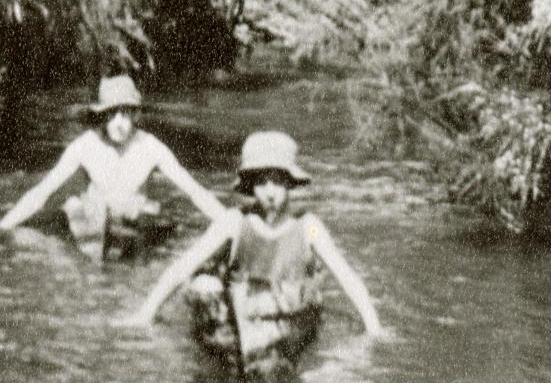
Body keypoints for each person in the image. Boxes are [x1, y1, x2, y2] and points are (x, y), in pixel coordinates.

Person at [119, 130, 382, 336]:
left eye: (278, 181)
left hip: (287, 309)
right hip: (243, 310)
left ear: (290, 183)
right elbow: (182, 267)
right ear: (251, 185)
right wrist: (146, 313)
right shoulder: (233, 222)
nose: (269, 192)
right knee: (204, 286)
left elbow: (347, 277)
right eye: (261, 181)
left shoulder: (309, 225)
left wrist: (373, 327)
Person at [0, 75, 224, 237]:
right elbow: (42, 192)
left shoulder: (152, 148)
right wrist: (2, 228)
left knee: (150, 210)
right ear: (102, 116)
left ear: (136, 115)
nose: (119, 124)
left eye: (125, 114)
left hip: (132, 218)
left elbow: (194, 191)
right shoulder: (84, 146)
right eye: (112, 114)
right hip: (94, 218)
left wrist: (228, 223)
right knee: (71, 206)